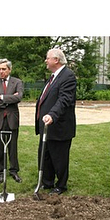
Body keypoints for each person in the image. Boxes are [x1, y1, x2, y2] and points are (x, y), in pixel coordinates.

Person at [35, 48, 77, 195]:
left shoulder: (68, 76)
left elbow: (64, 100)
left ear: (56, 60)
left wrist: (52, 114)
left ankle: (61, 185)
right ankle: (47, 182)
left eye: (48, 58)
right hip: (47, 127)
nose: (46, 61)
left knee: (59, 158)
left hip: (59, 126)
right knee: (45, 156)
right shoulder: (54, 76)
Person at [0, 58, 24, 184]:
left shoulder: (17, 82)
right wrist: (9, 99)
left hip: (12, 119)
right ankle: (1, 172)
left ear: (9, 69)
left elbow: (18, 97)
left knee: (13, 147)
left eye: (4, 69)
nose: (1, 71)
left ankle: (14, 171)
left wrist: (1, 97)